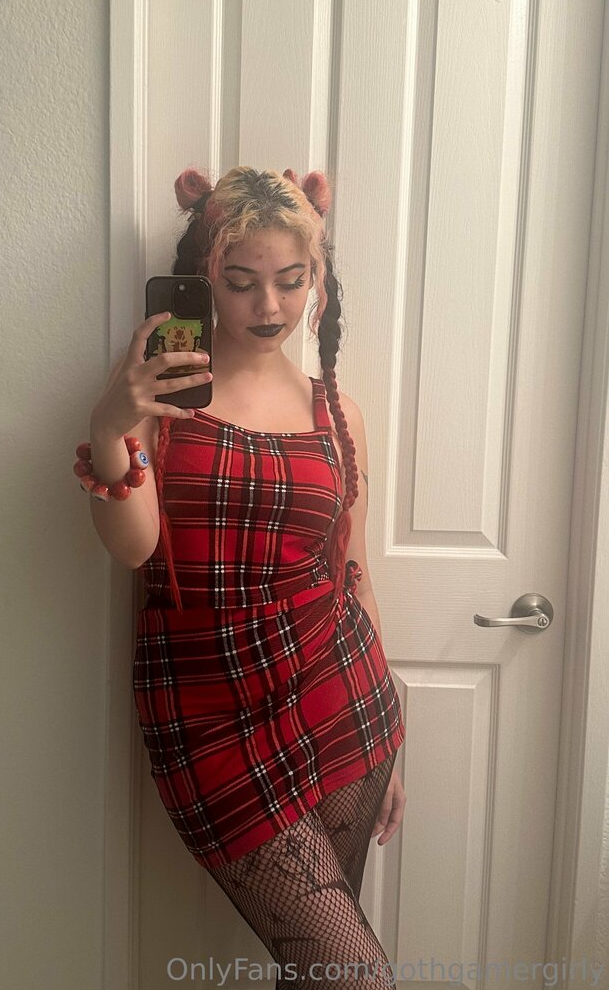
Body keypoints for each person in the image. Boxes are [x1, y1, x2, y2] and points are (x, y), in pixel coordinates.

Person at [78, 166, 406, 989]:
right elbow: (134, 550)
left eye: (292, 281)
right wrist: (111, 428)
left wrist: (395, 740)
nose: (270, 306)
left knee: (320, 974)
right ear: (203, 278)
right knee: (352, 975)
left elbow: (353, 571)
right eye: (241, 282)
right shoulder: (161, 394)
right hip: (206, 709)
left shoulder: (338, 412)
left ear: (316, 278)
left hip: (341, 695)